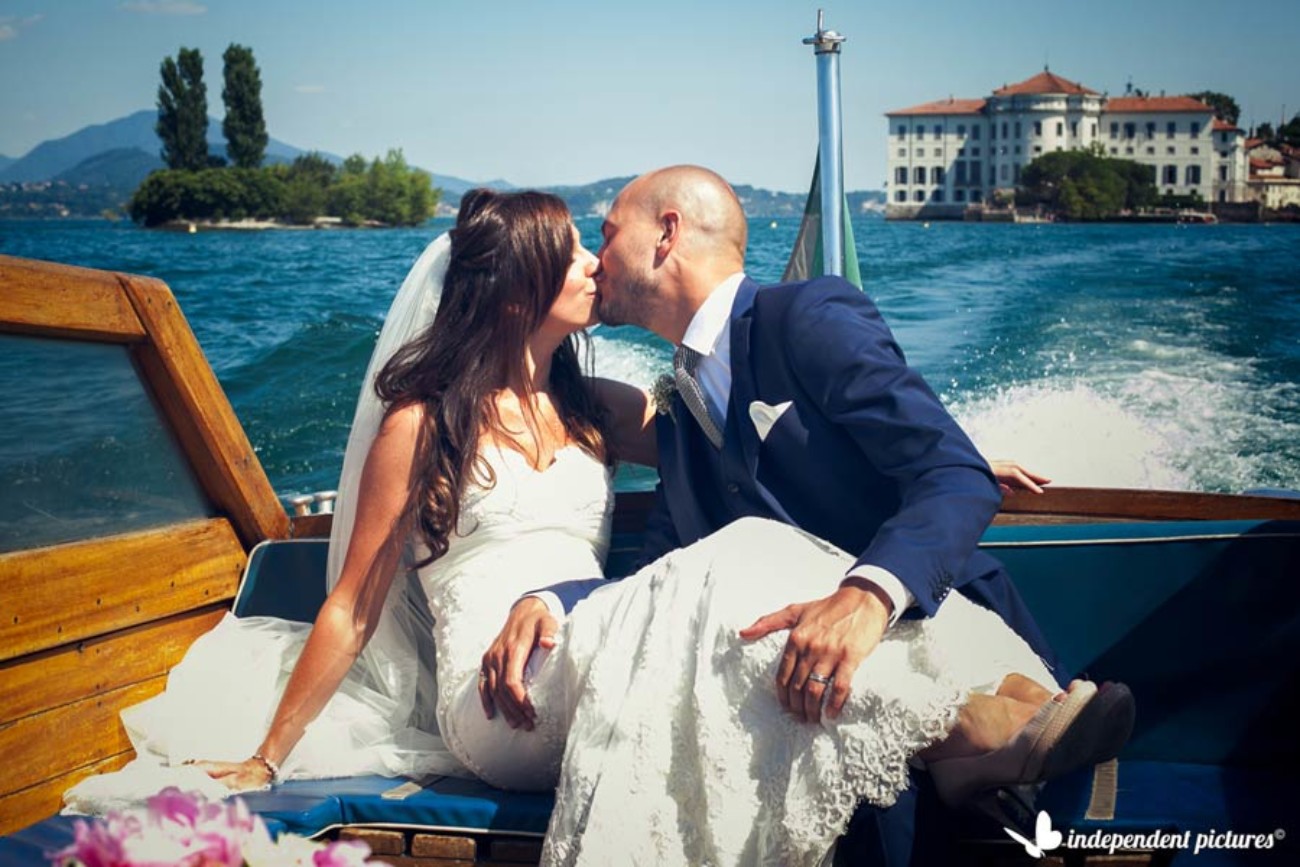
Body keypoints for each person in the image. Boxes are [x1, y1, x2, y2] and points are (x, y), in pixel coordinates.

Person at [64, 188, 1121, 867]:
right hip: (503, 687)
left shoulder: (603, 407)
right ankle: (982, 731)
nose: (591, 266)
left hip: (593, 638)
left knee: (771, 560)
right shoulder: (421, 422)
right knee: (743, 561)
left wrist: (947, 453)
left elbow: (751, 458)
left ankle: (1004, 712)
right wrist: (267, 755)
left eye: (596, 242)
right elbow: (351, 601)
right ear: (514, 281)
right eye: (570, 252)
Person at [480, 167, 1133, 864]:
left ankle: (983, 734)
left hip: (920, 628)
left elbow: (955, 473)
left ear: (666, 234)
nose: (594, 259)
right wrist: (552, 598)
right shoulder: (678, 416)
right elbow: (661, 582)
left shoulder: (808, 316)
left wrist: (866, 595)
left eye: (607, 234)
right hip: (802, 687)